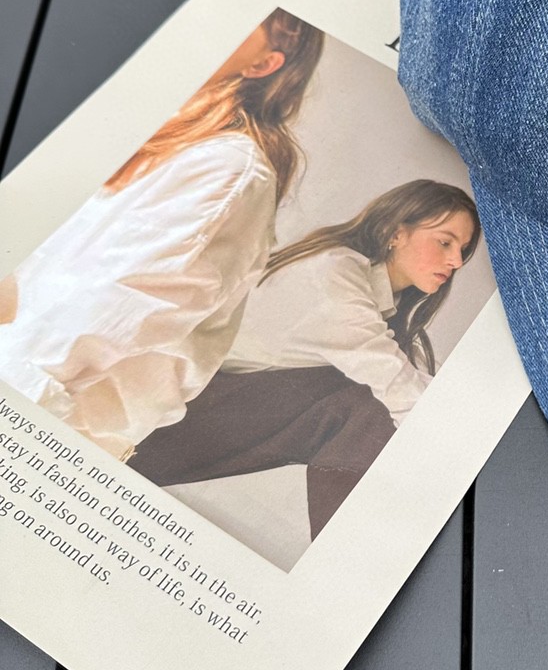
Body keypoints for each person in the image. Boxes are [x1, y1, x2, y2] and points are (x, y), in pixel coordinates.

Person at [0, 9, 324, 460]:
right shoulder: (152, 129)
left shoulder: (229, 169)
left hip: (41, 426)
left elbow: (101, 316)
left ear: (263, 64)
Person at [129, 180, 481, 539]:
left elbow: (412, 386)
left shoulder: (381, 304)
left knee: (380, 404)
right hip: (166, 425)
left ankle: (355, 542)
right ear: (396, 233)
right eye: (445, 242)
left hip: (208, 416)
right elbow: (397, 385)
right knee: (370, 405)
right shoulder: (335, 273)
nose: (455, 261)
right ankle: (348, 548)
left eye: (462, 250)